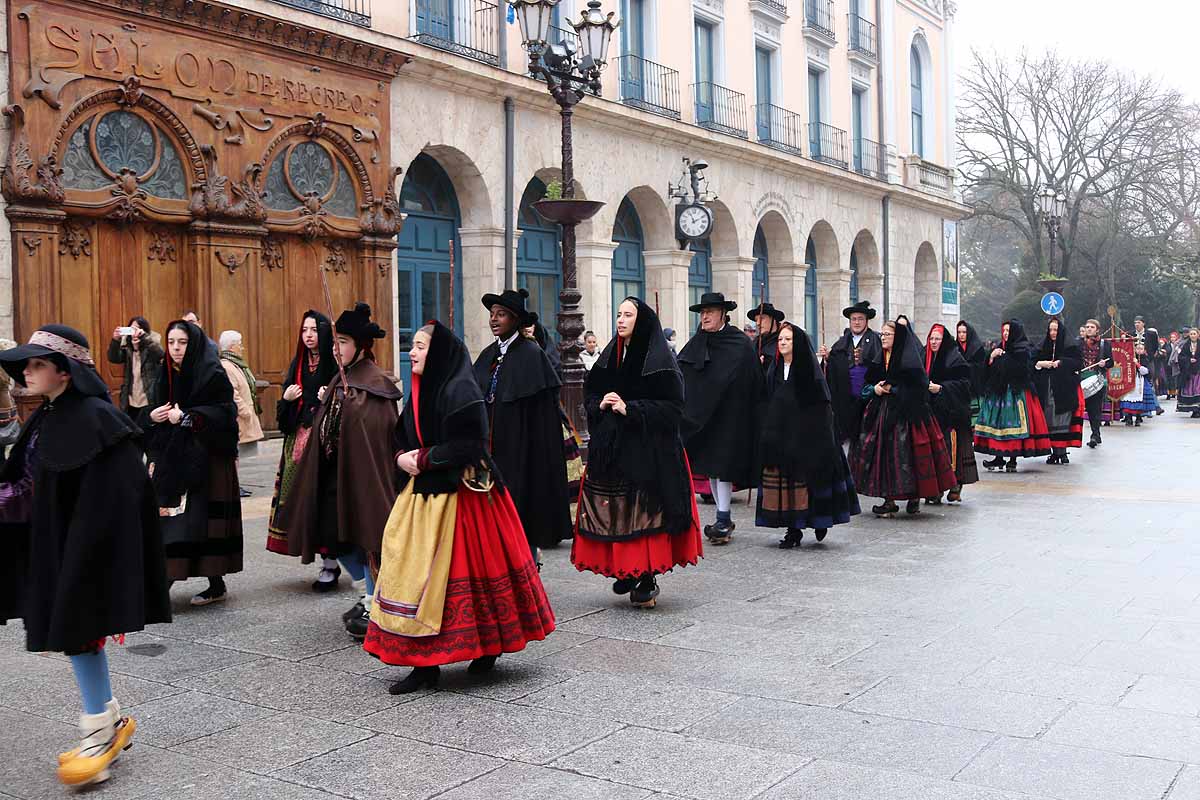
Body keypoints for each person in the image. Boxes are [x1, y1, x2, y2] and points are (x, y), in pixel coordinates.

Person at [0, 326, 170, 788]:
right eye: (26, 365)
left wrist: (87, 554)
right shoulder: (50, 413)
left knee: (80, 630)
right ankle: (107, 721)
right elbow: (34, 479)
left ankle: (100, 729)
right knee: (77, 634)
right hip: (53, 542)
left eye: (36, 364)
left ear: (64, 371)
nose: (26, 373)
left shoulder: (97, 417)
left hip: (84, 548)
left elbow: (116, 497)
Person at [362, 321, 556, 693]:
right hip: (423, 498)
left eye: (419, 346)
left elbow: (472, 444)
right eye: (413, 346)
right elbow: (401, 436)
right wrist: (402, 456)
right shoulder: (420, 391)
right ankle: (424, 663)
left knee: (462, 578)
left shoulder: (461, 389)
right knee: (414, 574)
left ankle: (488, 647)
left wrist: (424, 459)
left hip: (466, 499)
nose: (412, 352)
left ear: (438, 352)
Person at [273, 303, 401, 638]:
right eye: (335, 342)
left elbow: (374, 431)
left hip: (364, 480)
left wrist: (345, 409)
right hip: (333, 477)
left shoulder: (373, 383)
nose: (336, 348)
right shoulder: (340, 379)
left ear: (361, 346)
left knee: (368, 536)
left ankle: (375, 602)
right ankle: (366, 590)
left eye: (342, 342)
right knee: (332, 538)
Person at [573, 298, 703, 606]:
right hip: (613, 450)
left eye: (627, 315)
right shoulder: (609, 357)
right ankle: (627, 570)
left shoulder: (661, 361)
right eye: (618, 314)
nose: (620, 320)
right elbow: (590, 393)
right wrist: (601, 404)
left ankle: (647, 575)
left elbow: (673, 409)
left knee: (645, 514)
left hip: (650, 451)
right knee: (617, 513)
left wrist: (630, 409)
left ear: (641, 321)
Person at [145, 320, 242, 606]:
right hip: (172, 458)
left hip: (207, 459)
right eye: (171, 342)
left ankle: (212, 582)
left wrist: (188, 417)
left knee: (198, 522)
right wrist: (155, 417)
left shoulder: (211, 373)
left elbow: (226, 414)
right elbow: (153, 408)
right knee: (173, 520)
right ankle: (165, 580)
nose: (175, 348)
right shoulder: (166, 372)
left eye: (182, 342)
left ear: (194, 343)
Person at [473, 289, 573, 555]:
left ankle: (525, 555)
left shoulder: (531, 353)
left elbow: (543, 411)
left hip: (520, 445)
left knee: (519, 500)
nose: (494, 319)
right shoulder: (488, 354)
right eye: (492, 314)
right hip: (491, 443)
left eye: (501, 314)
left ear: (516, 320)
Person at [758, 322, 859, 547]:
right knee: (788, 485)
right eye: (781, 339)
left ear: (798, 344)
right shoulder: (774, 368)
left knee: (809, 483)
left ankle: (819, 521)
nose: (782, 343)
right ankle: (792, 530)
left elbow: (821, 404)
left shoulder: (808, 370)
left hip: (809, 435)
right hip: (781, 434)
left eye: (788, 339)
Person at [677, 292, 762, 546]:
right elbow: (683, 372)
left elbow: (752, 381)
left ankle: (723, 518)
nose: (704, 317)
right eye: (702, 313)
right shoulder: (697, 341)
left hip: (730, 417)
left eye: (710, 312)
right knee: (710, 468)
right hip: (703, 417)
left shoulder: (739, 342)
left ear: (723, 314)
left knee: (722, 467)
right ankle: (722, 516)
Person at [850, 318, 956, 517]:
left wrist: (895, 388)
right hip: (881, 414)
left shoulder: (910, 360)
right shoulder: (878, 358)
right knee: (884, 456)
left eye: (887, 334)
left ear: (897, 337)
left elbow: (919, 388)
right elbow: (867, 386)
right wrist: (876, 389)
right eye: (882, 334)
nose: (883, 338)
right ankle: (889, 499)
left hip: (909, 416)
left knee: (908, 456)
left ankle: (914, 496)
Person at [267, 311, 340, 591]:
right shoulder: (297, 364)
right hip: (297, 441)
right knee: (299, 498)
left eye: (313, 330)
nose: (308, 335)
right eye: (304, 330)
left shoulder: (333, 363)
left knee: (321, 498)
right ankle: (315, 552)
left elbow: (345, 397)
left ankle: (330, 563)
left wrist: (329, 398)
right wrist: (286, 399)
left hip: (322, 443)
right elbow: (285, 407)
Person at [973, 319, 1052, 472]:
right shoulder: (1000, 347)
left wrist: (1000, 358)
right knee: (998, 426)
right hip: (999, 392)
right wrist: (991, 357)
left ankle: (1012, 459)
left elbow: (1021, 370)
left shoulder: (1023, 349)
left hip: (1016, 393)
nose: (1005, 334)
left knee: (1013, 425)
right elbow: (991, 370)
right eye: (1004, 331)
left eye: (1008, 331)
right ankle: (998, 457)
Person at [925, 323, 978, 503]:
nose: (933, 342)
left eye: (937, 339)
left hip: (953, 412)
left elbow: (965, 385)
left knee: (953, 450)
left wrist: (941, 388)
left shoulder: (954, 358)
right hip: (931, 412)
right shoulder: (924, 356)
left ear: (944, 340)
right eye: (931, 338)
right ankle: (935, 489)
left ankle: (955, 485)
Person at [821, 300, 884, 449]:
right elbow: (833, 366)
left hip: (868, 398)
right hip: (846, 400)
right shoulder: (842, 342)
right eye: (853, 319)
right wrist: (828, 358)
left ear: (867, 321)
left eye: (860, 319)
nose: (856, 322)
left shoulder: (876, 340)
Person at [218, 331, 264, 497]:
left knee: (236, 453)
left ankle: (235, 485)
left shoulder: (235, 364)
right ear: (232, 346)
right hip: (237, 417)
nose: (242, 347)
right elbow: (232, 393)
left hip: (241, 416)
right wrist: (245, 412)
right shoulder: (227, 366)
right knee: (233, 453)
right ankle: (232, 486)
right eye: (240, 343)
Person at [1032, 318, 1083, 465]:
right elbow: (1031, 360)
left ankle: (1063, 451)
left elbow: (1078, 362)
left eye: (1055, 330)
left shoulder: (1070, 345)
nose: (1053, 333)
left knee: (1063, 418)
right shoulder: (1042, 345)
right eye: (1050, 330)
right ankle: (1055, 451)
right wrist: (1040, 364)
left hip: (1064, 388)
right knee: (1049, 418)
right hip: (1047, 387)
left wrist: (1061, 363)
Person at [107, 317, 163, 425]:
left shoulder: (151, 347)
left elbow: (160, 355)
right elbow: (113, 358)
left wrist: (145, 338)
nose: (134, 333)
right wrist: (115, 340)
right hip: (130, 400)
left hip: (148, 399)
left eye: (138, 329)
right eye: (132, 329)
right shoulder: (127, 349)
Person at [1078, 319, 1114, 448]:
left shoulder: (1104, 344)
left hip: (1097, 380)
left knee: (1095, 410)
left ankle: (1095, 434)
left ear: (1097, 329)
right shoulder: (1079, 343)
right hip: (1081, 379)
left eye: (1092, 327)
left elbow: (1111, 362)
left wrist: (1105, 364)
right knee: (1079, 410)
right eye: (1087, 327)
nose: (1089, 329)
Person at [955, 320, 987, 426]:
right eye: (959, 332)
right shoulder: (954, 349)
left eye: (964, 332)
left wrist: (967, 367)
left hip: (975, 389)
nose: (961, 335)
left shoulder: (978, 349)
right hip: (959, 391)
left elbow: (982, 368)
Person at [1119, 341, 1156, 426]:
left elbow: (1146, 371)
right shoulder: (1129, 358)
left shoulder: (1146, 359)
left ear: (1144, 350)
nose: (1139, 350)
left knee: (1140, 399)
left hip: (1140, 380)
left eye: (1141, 349)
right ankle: (1128, 417)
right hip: (1129, 380)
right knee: (1127, 397)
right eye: (1137, 348)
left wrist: (1137, 364)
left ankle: (1138, 417)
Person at [748, 302, 785, 375]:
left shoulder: (783, 341)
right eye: (756, 320)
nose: (758, 323)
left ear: (773, 320)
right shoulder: (754, 343)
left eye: (762, 318)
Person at [1177, 328, 1200, 418]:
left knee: (1198, 389)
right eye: (1191, 334)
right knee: (1191, 390)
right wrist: (1189, 360)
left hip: (1198, 371)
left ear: (1198, 335)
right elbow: (1181, 357)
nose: (1193, 336)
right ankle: (1195, 410)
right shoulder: (1186, 345)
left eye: (1194, 334)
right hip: (1189, 372)